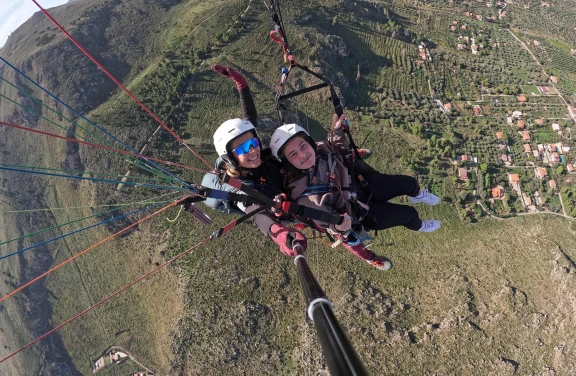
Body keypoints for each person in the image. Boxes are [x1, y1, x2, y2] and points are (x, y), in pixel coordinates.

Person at [269, 114, 441, 270]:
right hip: (360, 214)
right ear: (288, 163)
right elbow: (333, 227)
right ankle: (419, 226)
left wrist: (336, 131)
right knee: (409, 215)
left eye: (303, 146)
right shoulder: (307, 199)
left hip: (363, 186)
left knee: (409, 183)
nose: (303, 155)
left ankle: (418, 195)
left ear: (309, 142)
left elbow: (340, 150)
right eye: (293, 154)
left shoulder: (320, 150)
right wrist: (339, 225)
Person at [200, 65, 308, 257]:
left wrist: (241, 84)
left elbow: (250, 118)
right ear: (231, 158)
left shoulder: (257, 158)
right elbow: (255, 210)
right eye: (242, 149)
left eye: (253, 142)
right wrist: (280, 235)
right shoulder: (239, 187)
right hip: (284, 204)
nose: (252, 150)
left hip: (281, 181)